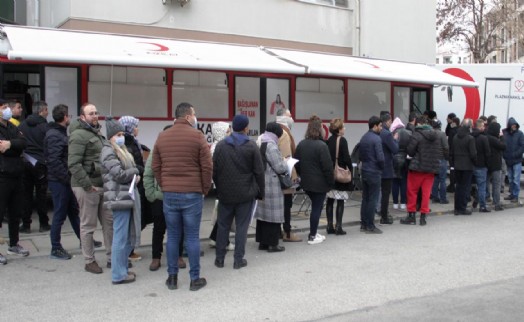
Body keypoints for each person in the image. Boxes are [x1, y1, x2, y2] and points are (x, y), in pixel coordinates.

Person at [152, 102, 212, 291]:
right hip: (192, 193)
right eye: (194, 114)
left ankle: (172, 278)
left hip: (170, 194)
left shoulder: (162, 137)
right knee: (192, 237)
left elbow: (155, 166)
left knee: (172, 236)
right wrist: (204, 188)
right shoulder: (198, 136)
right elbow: (207, 166)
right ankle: (194, 279)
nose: (195, 117)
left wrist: (165, 185)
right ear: (188, 116)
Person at [214, 115, 264, 268]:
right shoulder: (251, 146)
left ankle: (220, 259)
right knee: (242, 227)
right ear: (246, 128)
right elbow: (259, 172)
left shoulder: (221, 145)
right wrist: (260, 192)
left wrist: (219, 186)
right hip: (245, 193)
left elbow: (215, 170)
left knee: (223, 225)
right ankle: (238, 259)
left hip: (225, 193)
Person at [68, 103, 113, 274]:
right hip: (87, 187)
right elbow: (73, 164)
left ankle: (111, 258)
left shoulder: (96, 133)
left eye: (96, 112)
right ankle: (89, 260)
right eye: (91, 113)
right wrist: (88, 185)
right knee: (88, 225)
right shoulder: (79, 135)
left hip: (101, 186)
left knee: (109, 224)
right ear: (82, 117)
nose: (95, 116)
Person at [100, 117, 140, 285]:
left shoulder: (118, 149)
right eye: (117, 134)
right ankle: (118, 274)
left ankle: (122, 269)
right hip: (119, 197)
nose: (121, 137)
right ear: (110, 136)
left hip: (123, 196)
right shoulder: (109, 151)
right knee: (120, 236)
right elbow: (118, 174)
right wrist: (135, 171)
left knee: (123, 236)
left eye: (122, 133)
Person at [144, 125, 186, 272]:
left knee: (178, 229)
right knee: (159, 229)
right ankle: (156, 257)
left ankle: (178, 256)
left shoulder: (180, 152)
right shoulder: (156, 150)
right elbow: (148, 174)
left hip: (177, 195)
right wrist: (152, 195)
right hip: (159, 198)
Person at [44, 104, 80, 260]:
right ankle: (55, 247)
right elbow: (54, 161)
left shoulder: (59, 133)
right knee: (59, 214)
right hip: (59, 181)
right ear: (65, 117)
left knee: (73, 211)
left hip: (64, 180)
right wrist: (67, 178)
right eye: (69, 116)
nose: (69, 119)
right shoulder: (54, 135)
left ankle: (84, 239)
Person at [295, 115, 334, 244]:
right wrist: (330, 182)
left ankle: (314, 232)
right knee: (316, 208)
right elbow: (328, 167)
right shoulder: (322, 146)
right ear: (319, 128)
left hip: (306, 182)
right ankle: (312, 235)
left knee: (315, 207)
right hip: (319, 183)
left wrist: (302, 176)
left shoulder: (301, 144)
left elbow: (297, 163)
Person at [0, 98, 29, 264]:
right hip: (2, 175)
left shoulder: (12, 126)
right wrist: (13, 147)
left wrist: (10, 144)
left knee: (15, 212)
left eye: (6, 107)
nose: (6, 110)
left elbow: (23, 143)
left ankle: (13, 243)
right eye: (3, 107)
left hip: (17, 174)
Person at [119, 115, 151, 262]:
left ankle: (129, 249)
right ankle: (128, 250)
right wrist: (141, 168)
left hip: (137, 184)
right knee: (135, 218)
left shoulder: (133, 143)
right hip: (134, 186)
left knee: (139, 218)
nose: (138, 129)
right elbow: (130, 165)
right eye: (135, 126)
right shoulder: (128, 144)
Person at [401, 117, 443, 226]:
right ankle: (423, 217)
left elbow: (410, 150)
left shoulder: (417, 134)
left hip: (417, 167)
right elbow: (439, 151)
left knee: (412, 192)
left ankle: (411, 216)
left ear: (418, 123)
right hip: (431, 169)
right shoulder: (436, 136)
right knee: (426, 193)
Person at [255, 122, 288, 252]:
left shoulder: (261, 141)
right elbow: (279, 167)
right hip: (272, 183)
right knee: (274, 214)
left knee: (263, 215)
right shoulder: (271, 146)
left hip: (263, 181)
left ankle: (263, 242)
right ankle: (273, 244)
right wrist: (285, 162)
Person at [18, 100, 50, 233]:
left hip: (26, 162)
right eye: (46, 110)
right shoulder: (45, 126)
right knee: (41, 195)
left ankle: (26, 225)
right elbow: (48, 145)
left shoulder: (22, 125)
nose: (48, 112)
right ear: (42, 111)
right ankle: (43, 224)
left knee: (27, 194)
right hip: (41, 164)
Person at [276, 109, 301, 242]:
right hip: (284, 175)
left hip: (274, 175)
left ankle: (279, 230)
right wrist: (293, 176)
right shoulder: (284, 133)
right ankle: (287, 232)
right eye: (289, 116)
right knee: (287, 204)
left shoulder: (274, 131)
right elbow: (287, 157)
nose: (291, 118)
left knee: (279, 205)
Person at [208, 121, 235, 250]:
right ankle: (223, 241)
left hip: (221, 183)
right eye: (228, 131)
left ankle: (215, 238)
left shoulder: (216, 146)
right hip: (224, 184)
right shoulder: (219, 147)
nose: (230, 133)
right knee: (225, 213)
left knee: (223, 213)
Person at [325, 118, 352, 235]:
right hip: (340, 173)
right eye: (343, 127)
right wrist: (350, 168)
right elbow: (346, 158)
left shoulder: (329, 140)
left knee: (330, 200)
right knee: (340, 200)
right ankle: (339, 227)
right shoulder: (343, 140)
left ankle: (329, 225)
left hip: (331, 174)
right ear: (339, 129)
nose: (345, 128)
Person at [357, 116, 384, 234]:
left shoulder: (363, 138)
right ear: (375, 126)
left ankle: (363, 223)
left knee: (365, 198)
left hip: (365, 170)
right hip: (374, 171)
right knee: (373, 199)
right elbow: (380, 158)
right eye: (380, 126)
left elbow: (360, 155)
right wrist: (382, 168)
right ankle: (370, 225)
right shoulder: (377, 139)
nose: (381, 128)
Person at [452, 119, 477, 215]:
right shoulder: (470, 138)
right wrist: (475, 162)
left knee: (458, 187)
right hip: (467, 166)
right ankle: (462, 208)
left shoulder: (455, 137)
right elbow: (473, 154)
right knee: (465, 187)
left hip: (457, 165)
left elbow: (452, 151)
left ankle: (457, 208)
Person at [378, 113, 398, 225]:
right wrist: (395, 139)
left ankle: (379, 212)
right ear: (388, 121)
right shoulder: (387, 134)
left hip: (378, 167)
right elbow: (395, 149)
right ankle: (384, 216)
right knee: (386, 193)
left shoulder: (378, 132)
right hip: (386, 168)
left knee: (376, 193)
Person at [390, 117, 411, 210]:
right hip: (405, 159)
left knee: (395, 182)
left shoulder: (392, 133)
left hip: (394, 159)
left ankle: (395, 203)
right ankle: (403, 203)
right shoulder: (408, 133)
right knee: (404, 182)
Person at [502, 117, 524, 203]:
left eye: (515, 125)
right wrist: (505, 155)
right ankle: (512, 194)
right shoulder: (505, 134)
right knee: (510, 179)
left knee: (515, 179)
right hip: (509, 159)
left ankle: (515, 195)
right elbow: (503, 146)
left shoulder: (520, 134)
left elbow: (522, 146)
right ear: (510, 126)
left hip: (517, 160)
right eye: (513, 125)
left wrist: (515, 155)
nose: (514, 126)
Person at [471, 119, 491, 212]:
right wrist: (488, 164)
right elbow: (487, 153)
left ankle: (475, 200)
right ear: (479, 127)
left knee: (469, 185)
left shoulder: (470, 136)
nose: (484, 128)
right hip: (481, 165)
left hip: (471, 165)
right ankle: (482, 206)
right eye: (483, 126)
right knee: (482, 186)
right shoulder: (483, 138)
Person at [486, 121, 506, 211]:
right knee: (496, 184)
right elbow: (503, 146)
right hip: (496, 164)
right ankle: (496, 202)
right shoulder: (494, 139)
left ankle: (486, 197)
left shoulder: (486, 136)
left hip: (487, 163)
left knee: (486, 182)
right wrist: (502, 137)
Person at [430, 119, 450, 204]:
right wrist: (446, 157)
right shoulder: (442, 134)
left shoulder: (429, 133)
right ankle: (443, 198)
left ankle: (435, 197)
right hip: (441, 159)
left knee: (435, 179)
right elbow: (446, 147)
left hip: (432, 159)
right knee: (442, 180)